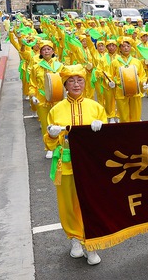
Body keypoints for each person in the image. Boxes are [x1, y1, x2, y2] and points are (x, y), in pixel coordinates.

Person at [44, 64, 107, 265]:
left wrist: (102, 128)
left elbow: (108, 141)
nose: (76, 84)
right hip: (66, 164)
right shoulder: (56, 110)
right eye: (71, 80)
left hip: (90, 165)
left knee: (91, 203)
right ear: (65, 85)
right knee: (68, 204)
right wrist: (52, 134)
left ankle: (92, 243)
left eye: (79, 80)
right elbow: (50, 142)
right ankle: (75, 239)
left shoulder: (96, 107)